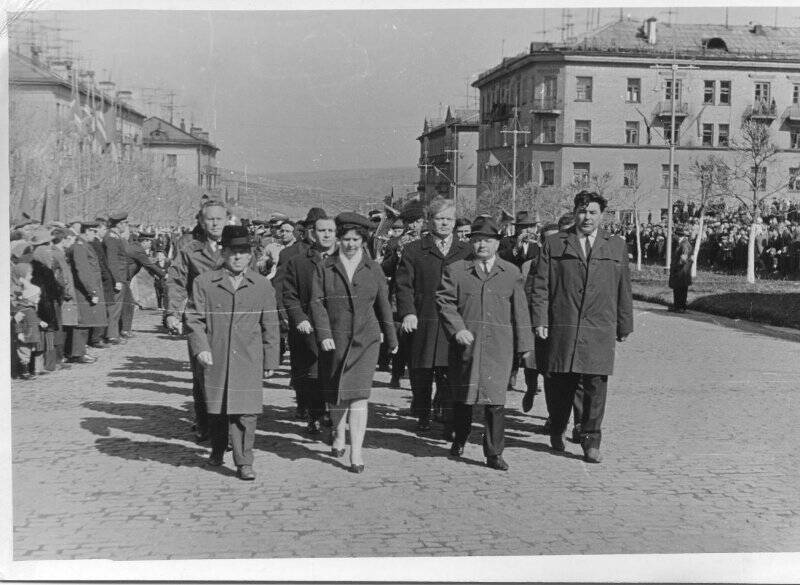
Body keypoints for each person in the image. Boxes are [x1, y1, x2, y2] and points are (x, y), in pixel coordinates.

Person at [529, 190, 634, 464]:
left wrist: (625, 323)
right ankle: (557, 427)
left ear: (602, 216)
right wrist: (540, 320)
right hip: (563, 325)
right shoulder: (554, 244)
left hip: (599, 327)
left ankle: (591, 440)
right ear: (575, 213)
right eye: (582, 211)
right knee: (558, 383)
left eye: (592, 212)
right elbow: (540, 287)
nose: (586, 217)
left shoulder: (616, 246)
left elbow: (624, 288)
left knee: (595, 385)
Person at [436, 218, 536, 471]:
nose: (482, 245)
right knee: (464, 397)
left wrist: (525, 346)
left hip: (499, 347)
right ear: (471, 242)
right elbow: (445, 303)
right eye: (477, 240)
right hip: (467, 345)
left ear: (497, 243)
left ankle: (494, 453)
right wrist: (458, 329)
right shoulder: (457, 269)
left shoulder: (511, 272)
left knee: (496, 401)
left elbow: (521, 312)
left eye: (488, 241)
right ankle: (459, 437)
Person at [185, 225, 280, 480]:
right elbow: (194, 319)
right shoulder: (204, 283)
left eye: (243, 252)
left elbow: (270, 323)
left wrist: (271, 357)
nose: (238, 257)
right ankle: (217, 448)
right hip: (215, 355)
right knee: (217, 408)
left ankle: (244, 460)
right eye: (232, 251)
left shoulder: (261, 285)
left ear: (250, 255)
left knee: (246, 411)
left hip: (249, 358)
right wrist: (201, 348)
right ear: (223, 253)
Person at [310, 212, 398, 473]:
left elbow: (383, 304)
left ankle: (356, 452)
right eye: (346, 239)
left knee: (359, 397)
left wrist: (391, 338)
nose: (350, 244)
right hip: (335, 340)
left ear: (363, 240)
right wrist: (324, 334)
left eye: (355, 240)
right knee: (338, 395)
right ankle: (338, 434)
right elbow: (316, 303)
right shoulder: (325, 268)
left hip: (365, 340)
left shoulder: (373, 269)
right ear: (339, 240)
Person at [394, 197, 472, 435]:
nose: (445, 224)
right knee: (422, 369)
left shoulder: (466, 250)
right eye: (439, 219)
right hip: (424, 315)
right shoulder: (414, 249)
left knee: (451, 368)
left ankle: (447, 415)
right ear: (429, 221)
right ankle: (423, 412)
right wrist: (408, 313)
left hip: (455, 319)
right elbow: (404, 285)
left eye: (449, 219)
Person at [166, 199, 230, 442]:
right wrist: (172, 313)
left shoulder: (239, 248)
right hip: (200, 321)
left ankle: (229, 426)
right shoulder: (190, 250)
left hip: (230, 320)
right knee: (202, 374)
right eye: (209, 219)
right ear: (202, 222)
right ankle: (205, 424)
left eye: (219, 218)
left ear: (227, 220)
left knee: (228, 373)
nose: (214, 223)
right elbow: (176, 282)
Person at [282, 212, 335, 435]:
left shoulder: (344, 261)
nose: (326, 235)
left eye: (330, 231)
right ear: (313, 234)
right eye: (321, 231)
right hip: (307, 328)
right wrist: (299, 319)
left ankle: (333, 416)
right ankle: (314, 414)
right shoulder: (298, 262)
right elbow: (289, 294)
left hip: (336, 327)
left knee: (333, 372)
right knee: (311, 374)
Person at [381, 200, 425, 388]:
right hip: (399, 296)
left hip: (422, 295)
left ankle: (417, 381)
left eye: (417, 221)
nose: (414, 225)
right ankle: (397, 374)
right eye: (410, 222)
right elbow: (385, 268)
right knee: (402, 338)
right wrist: (396, 256)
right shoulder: (395, 243)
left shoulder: (428, 242)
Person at [67, 222, 108, 364]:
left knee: (86, 321)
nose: (95, 235)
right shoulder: (79, 247)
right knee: (82, 323)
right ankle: (78, 353)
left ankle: (80, 351)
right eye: (94, 232)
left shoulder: (84, 245)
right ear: (87, 231)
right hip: (83, 291)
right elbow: (83, 271)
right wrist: (92, 292)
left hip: (87, 290)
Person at [668, 226, 693, 313]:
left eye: (674, 235)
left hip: (682, 271)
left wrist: (676, 267)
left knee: (681, 289)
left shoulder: (684, 245)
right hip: (680, 271)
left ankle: (681, 307)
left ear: (678, 235)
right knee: (677, 288)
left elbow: (683, 259)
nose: (673, 236)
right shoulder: (680, 243)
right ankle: (677, 306)